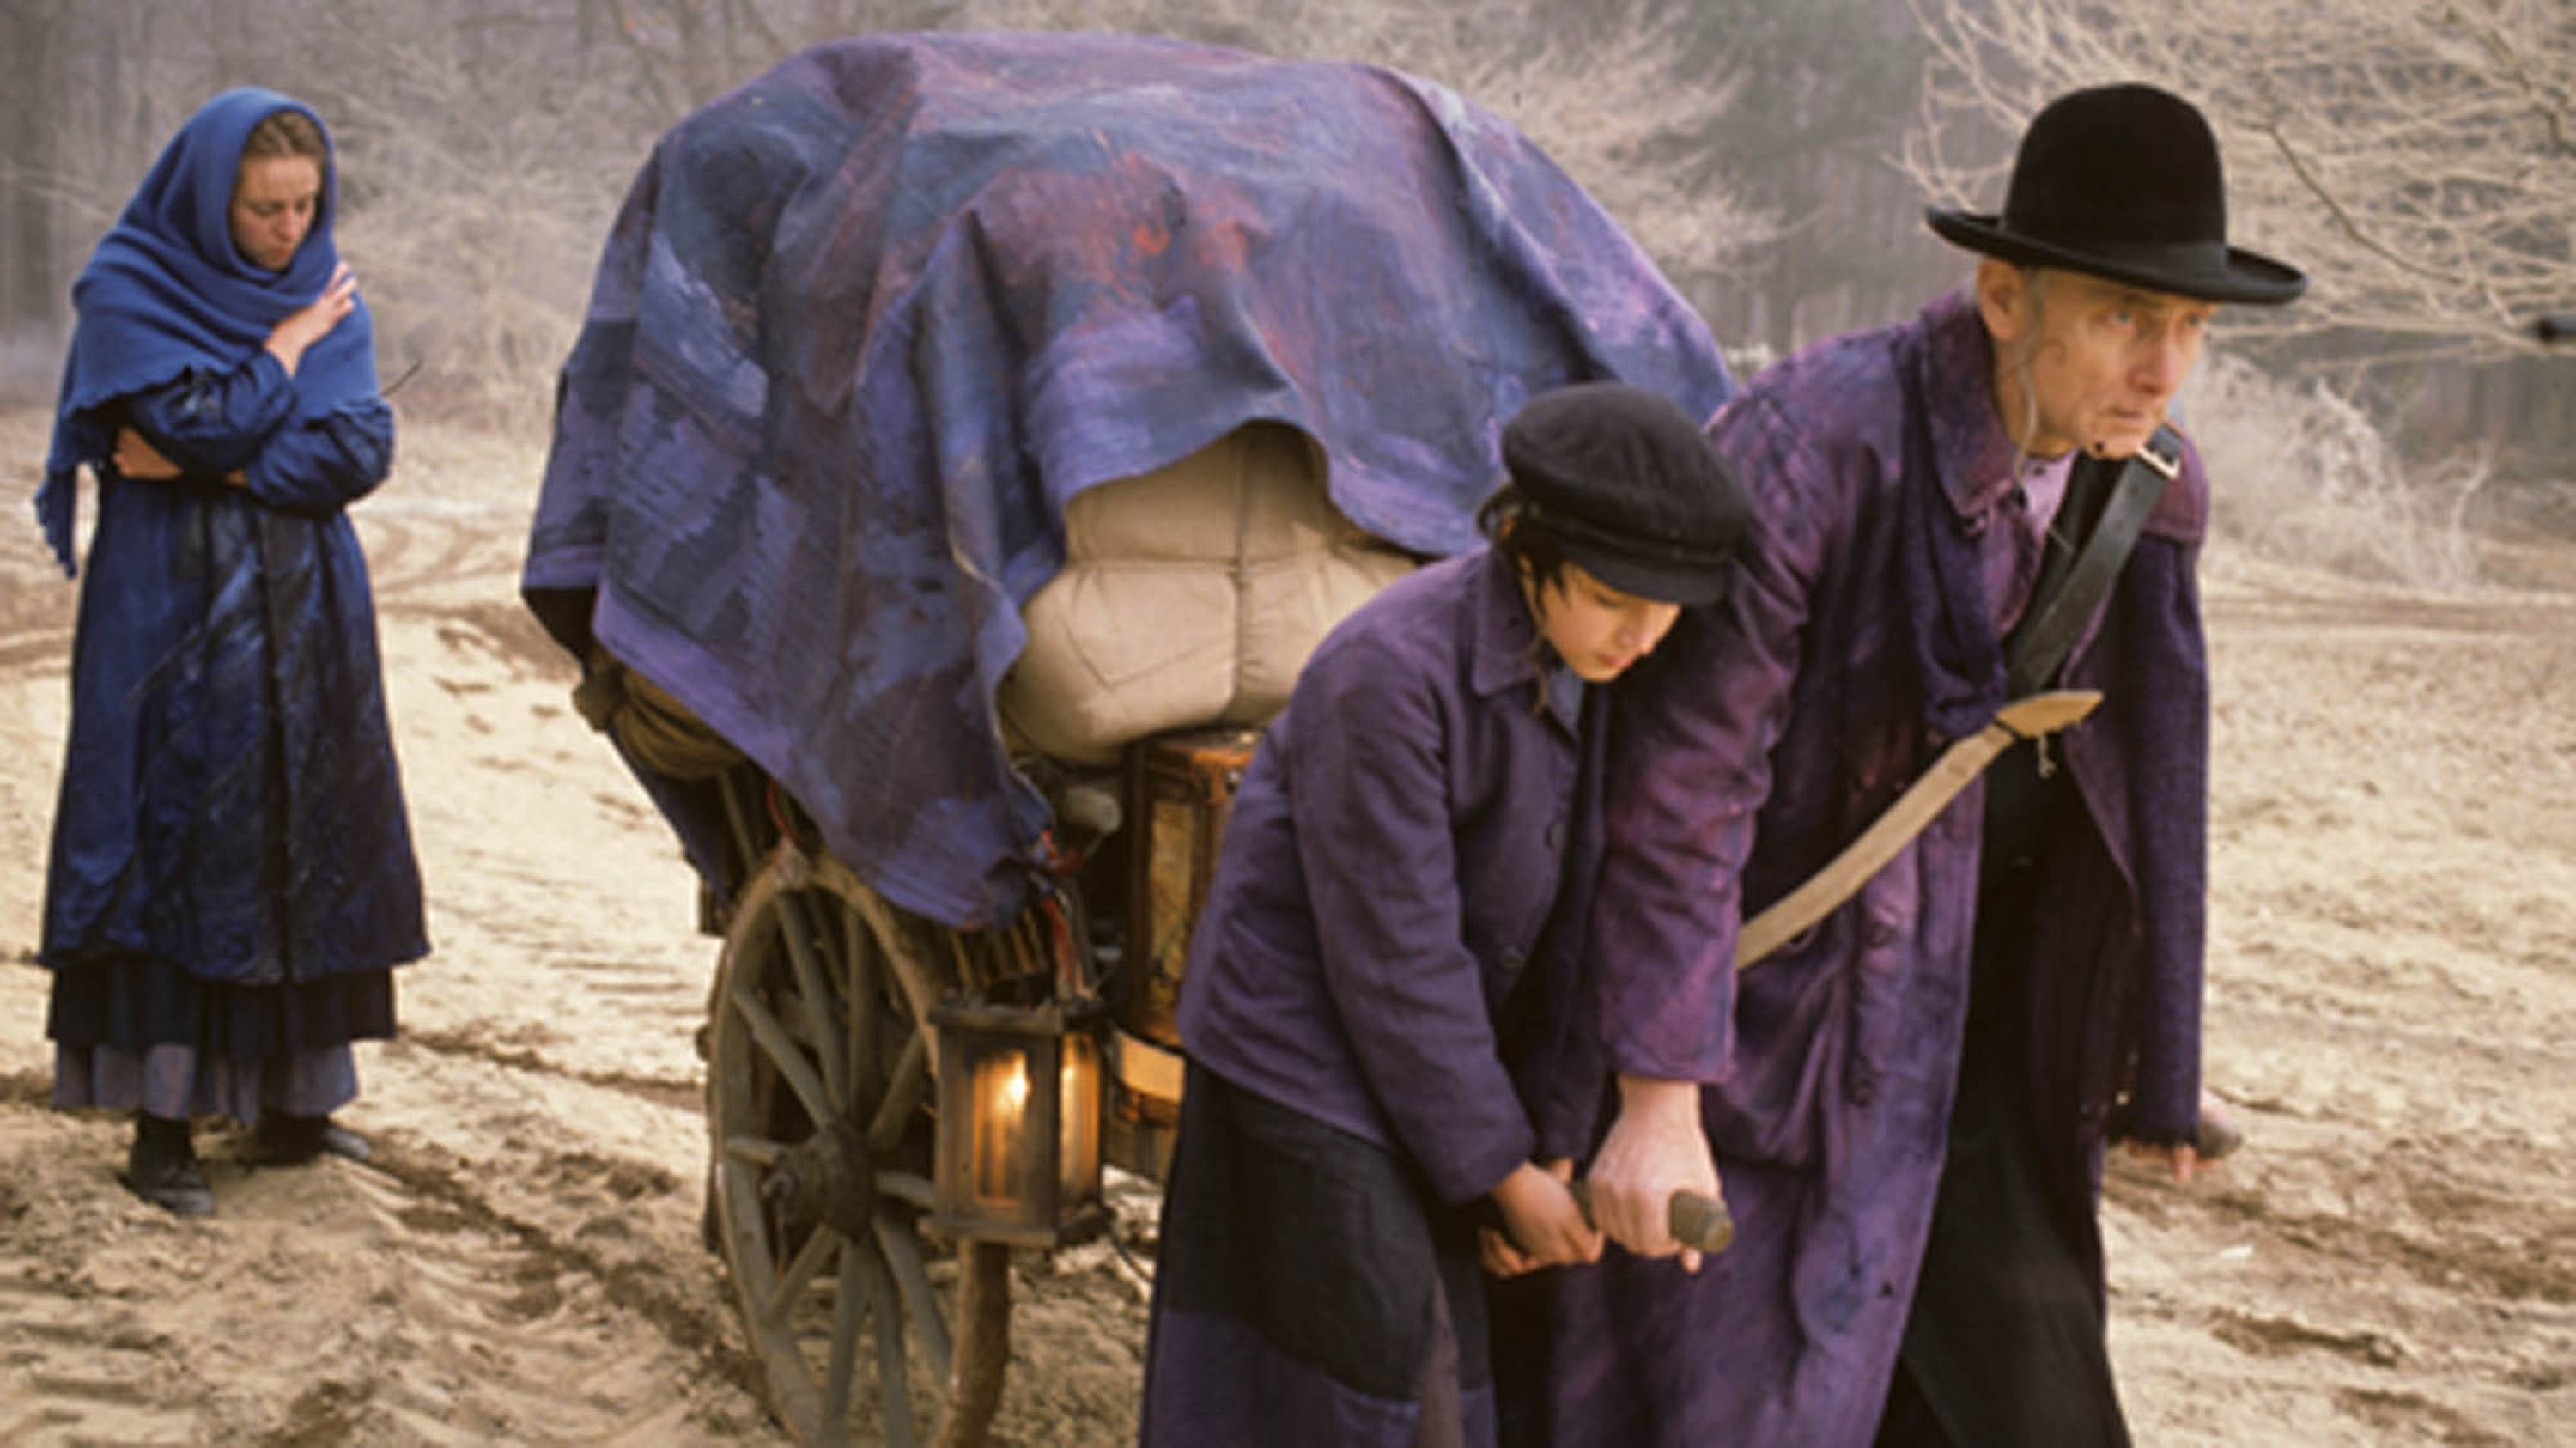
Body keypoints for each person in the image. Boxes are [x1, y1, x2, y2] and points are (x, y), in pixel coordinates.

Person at [1504, 85, 2306, 1445]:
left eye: (2190, 325)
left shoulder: (2153, 482)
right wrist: (1656, 1097)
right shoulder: (1817, 443)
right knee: (1723, 1406)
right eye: (2124, 316)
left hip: (1987, 1048)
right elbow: (1683, 786)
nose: (2164, 368)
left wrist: (2154, 1056)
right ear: (2004, 296)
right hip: (1766, 1039)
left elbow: (2160, 778)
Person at [1138, 383, 1754, 1446]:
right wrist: (1499, 1175)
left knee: (1443, 1366)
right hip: (1301, 1047)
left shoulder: (1604, 671)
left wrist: (1547, 1147)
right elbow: (1398, 959)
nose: (1644, 636)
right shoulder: (1385, 673)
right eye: (1614, 598)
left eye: (1667, 610)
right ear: (1523, 547)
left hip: (1441, 1053)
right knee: (1375, 1352)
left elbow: (1585, 926)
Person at [34, 88, 427, 1217]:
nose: (290, 231)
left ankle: (296, 1104)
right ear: (212, 200)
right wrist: (285, 351)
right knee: (175, 837)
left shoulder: (326, 285)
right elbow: (181, 423)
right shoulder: (128, 288)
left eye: (305, 205)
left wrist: (237, 459)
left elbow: (359, 447)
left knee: (301, 830)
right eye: (265, 210)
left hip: (307, 610)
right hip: (169, 610)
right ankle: (163, 1130)